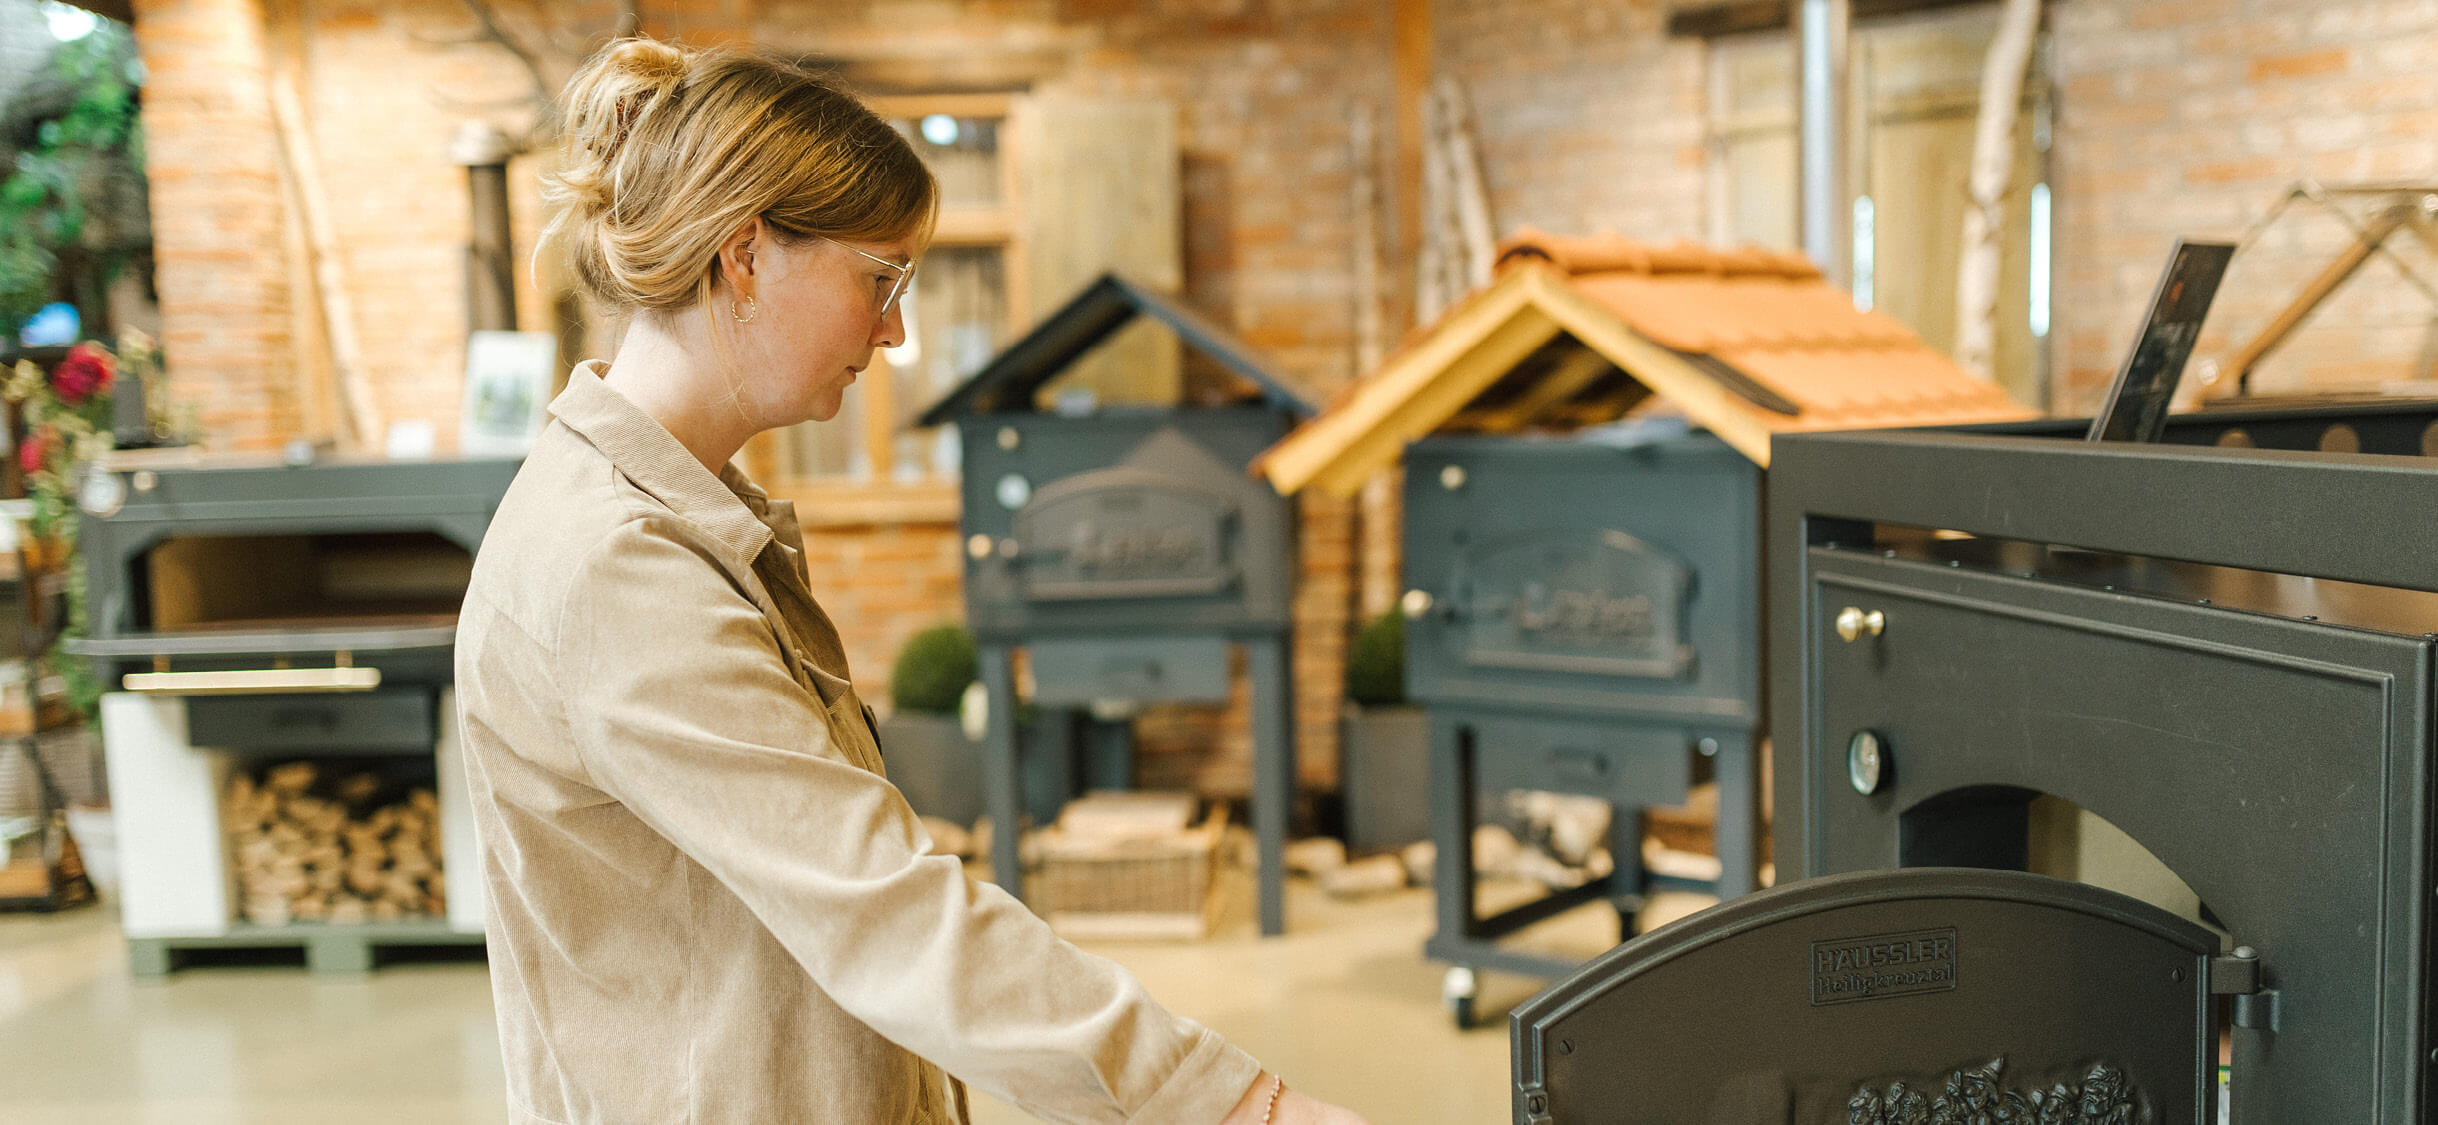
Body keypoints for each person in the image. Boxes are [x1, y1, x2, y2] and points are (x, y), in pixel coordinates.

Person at [453, 37, 1373, 1125]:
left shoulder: (675, 519)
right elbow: (883, 907)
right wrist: (1234, 1106)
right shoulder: (618, 567)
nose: (893, 330)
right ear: (746, 253)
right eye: (880, 279)